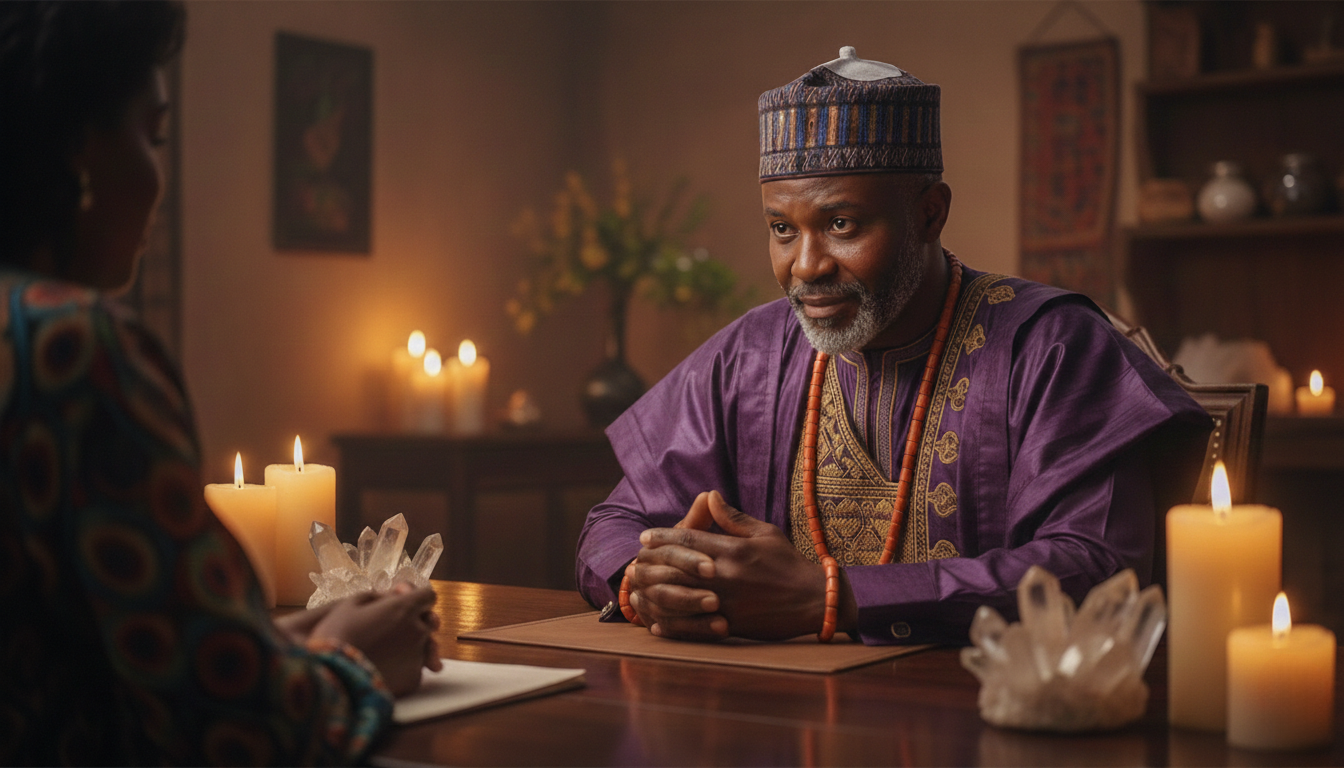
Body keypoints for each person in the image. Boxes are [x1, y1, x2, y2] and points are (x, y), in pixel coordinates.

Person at [575, 47, 1211, 646]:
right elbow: (612, 526)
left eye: (841, 224)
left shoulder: (1050, 348)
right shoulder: (750, 355)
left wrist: (837, 595)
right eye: (782, 230)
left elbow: (1095, 569)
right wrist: (646, 581)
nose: (807, 266)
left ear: (930, 214)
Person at [0, 3, 440, 764]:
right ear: (76, 148)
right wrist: (352, 659)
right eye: (151, 135)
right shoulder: (70, 349)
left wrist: (265, 644)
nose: (158, 177)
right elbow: (243, 732)